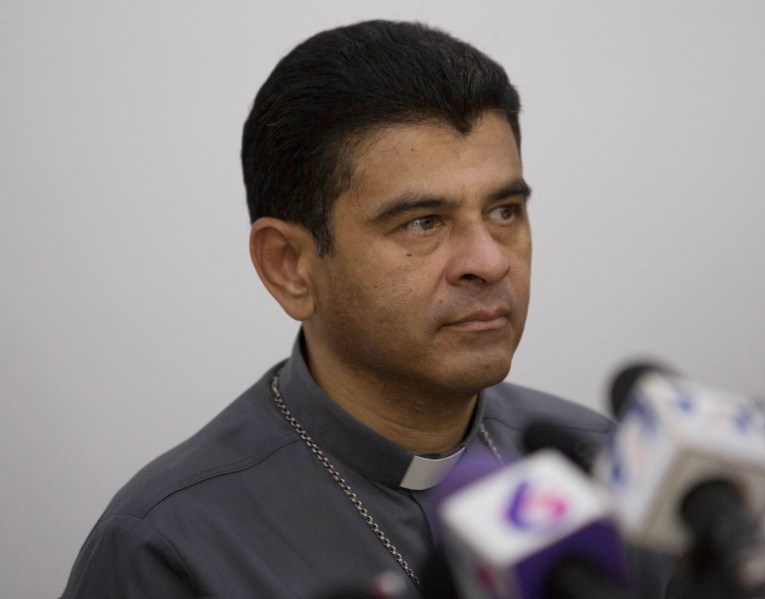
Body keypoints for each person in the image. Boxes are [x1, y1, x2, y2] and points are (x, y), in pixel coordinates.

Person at [62, 20, 669, 598]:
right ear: (290, 267)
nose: (489, 261)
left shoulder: (606, 468)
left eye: (504, 211)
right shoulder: (169, 547)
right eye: (424, 223)